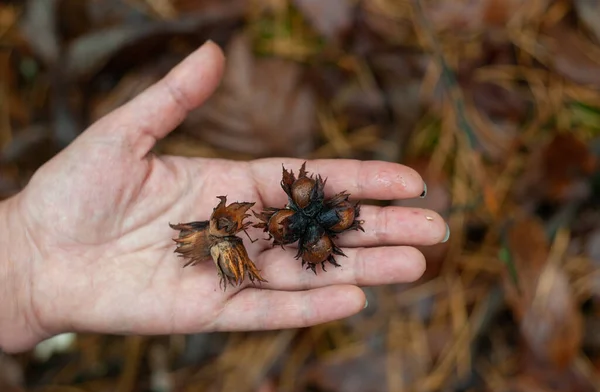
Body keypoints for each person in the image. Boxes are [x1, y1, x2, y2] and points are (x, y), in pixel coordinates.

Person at [0, 41, 449, 354]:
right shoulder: (268, 226)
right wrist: (23, 251)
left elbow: (294, 221)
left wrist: (24, 251)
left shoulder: (288, 221)